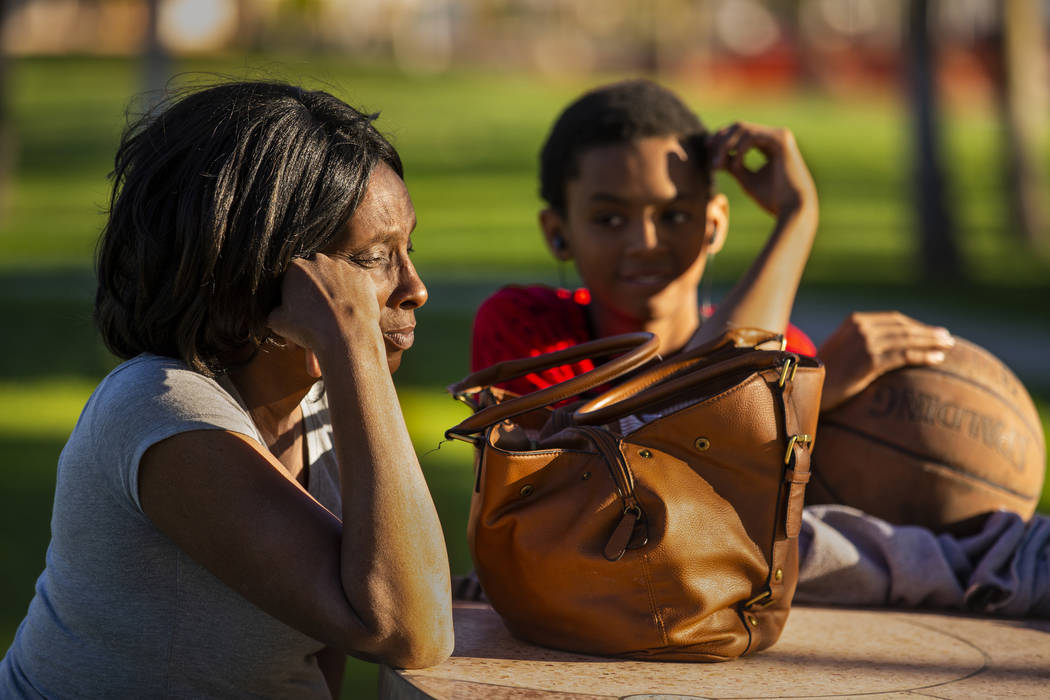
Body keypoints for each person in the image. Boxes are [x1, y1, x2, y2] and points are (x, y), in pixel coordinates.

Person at [0, 81, 453, 698]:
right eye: (374, 258)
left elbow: (329, 656)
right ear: (262, 272)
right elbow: (411, 632)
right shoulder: (161, 409)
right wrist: (355, 347)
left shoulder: (318, 406)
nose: (415, 287)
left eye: (408, 249)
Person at [470, 78, 955, 418]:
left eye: (674, 215)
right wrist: (797, 218)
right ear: (558, 232)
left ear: (715, 223)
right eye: (609, 219)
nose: (645, 243)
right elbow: (657, 444)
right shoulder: (527, 333)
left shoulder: (784, 350)